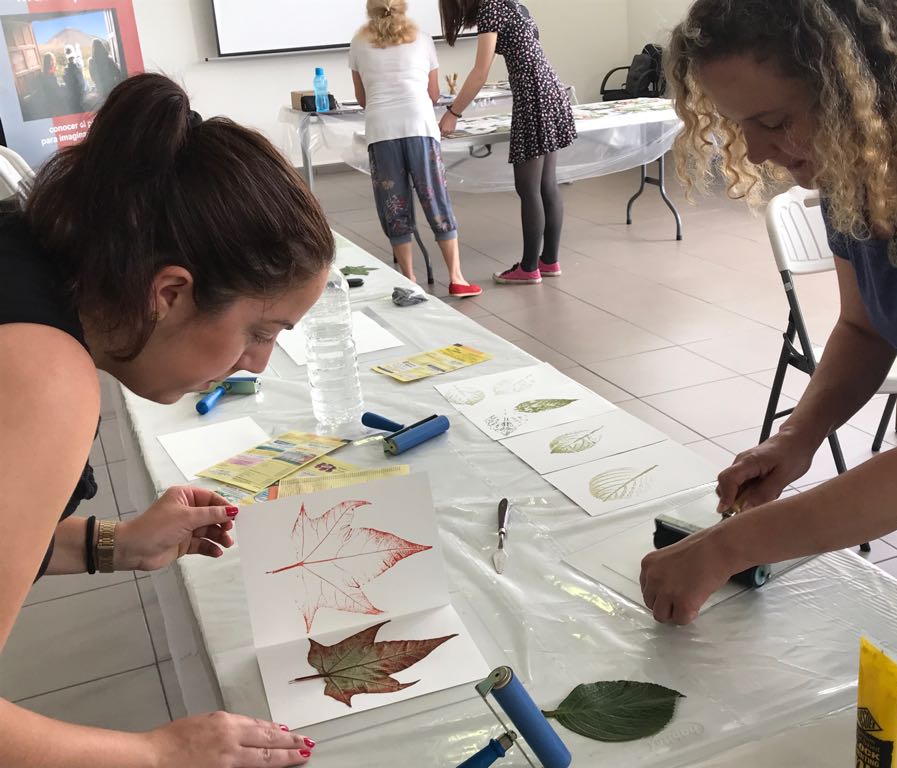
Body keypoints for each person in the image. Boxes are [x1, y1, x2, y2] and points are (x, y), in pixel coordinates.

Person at [639, 0, 897, 652]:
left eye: (774, 121)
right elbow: (864, 327)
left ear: (868, 90)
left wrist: (725, 548)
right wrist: (795, 439)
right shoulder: (862, 168)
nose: (756, 151)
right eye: (741, 126)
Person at [0, 73, 330, 767]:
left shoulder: (21, 256)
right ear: (170, 293)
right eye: (260, 331)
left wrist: (111, 544)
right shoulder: (45, 374)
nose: (258, 365)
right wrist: (157, 752)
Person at [350, 0, 481, 298]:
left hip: (382, 131)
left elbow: (363, 98)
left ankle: (409, 280)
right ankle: (457, 277)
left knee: (393, 203)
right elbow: (433, 94)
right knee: (435, 197)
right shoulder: (422, 40)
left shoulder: (358, 44)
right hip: (420, 127)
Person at [439, 0, 576, 285]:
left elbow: (480, 72)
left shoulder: (490, 9)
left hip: (534, 97)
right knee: (546, 184)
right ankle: (548, 261)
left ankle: (529, 268)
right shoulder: (513, 5)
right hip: (550, 90)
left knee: (528, 188)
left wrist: (452, 114)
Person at [62, 49, 86, 114]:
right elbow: (81, 80)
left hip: (73, 92)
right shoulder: (75, 67)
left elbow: (66, 79)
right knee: (79, 107)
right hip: (76, 91)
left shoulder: (67, 69)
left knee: (76, 107)